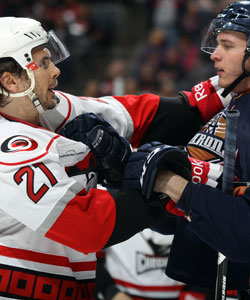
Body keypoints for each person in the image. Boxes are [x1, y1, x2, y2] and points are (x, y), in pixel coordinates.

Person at [0, 16, 232, 300]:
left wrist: (228, 86)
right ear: (11, 81)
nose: (56, 71)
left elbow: (141, 115)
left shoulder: (45, 109)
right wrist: (169, 186)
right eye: (44, 63)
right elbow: (90, 226)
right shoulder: (8, 150)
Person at [123, 1, 250, 298]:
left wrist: (172, 182)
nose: (214, 55)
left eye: (227, 45)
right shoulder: (231, 107)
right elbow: (181, 221)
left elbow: (244, 232)